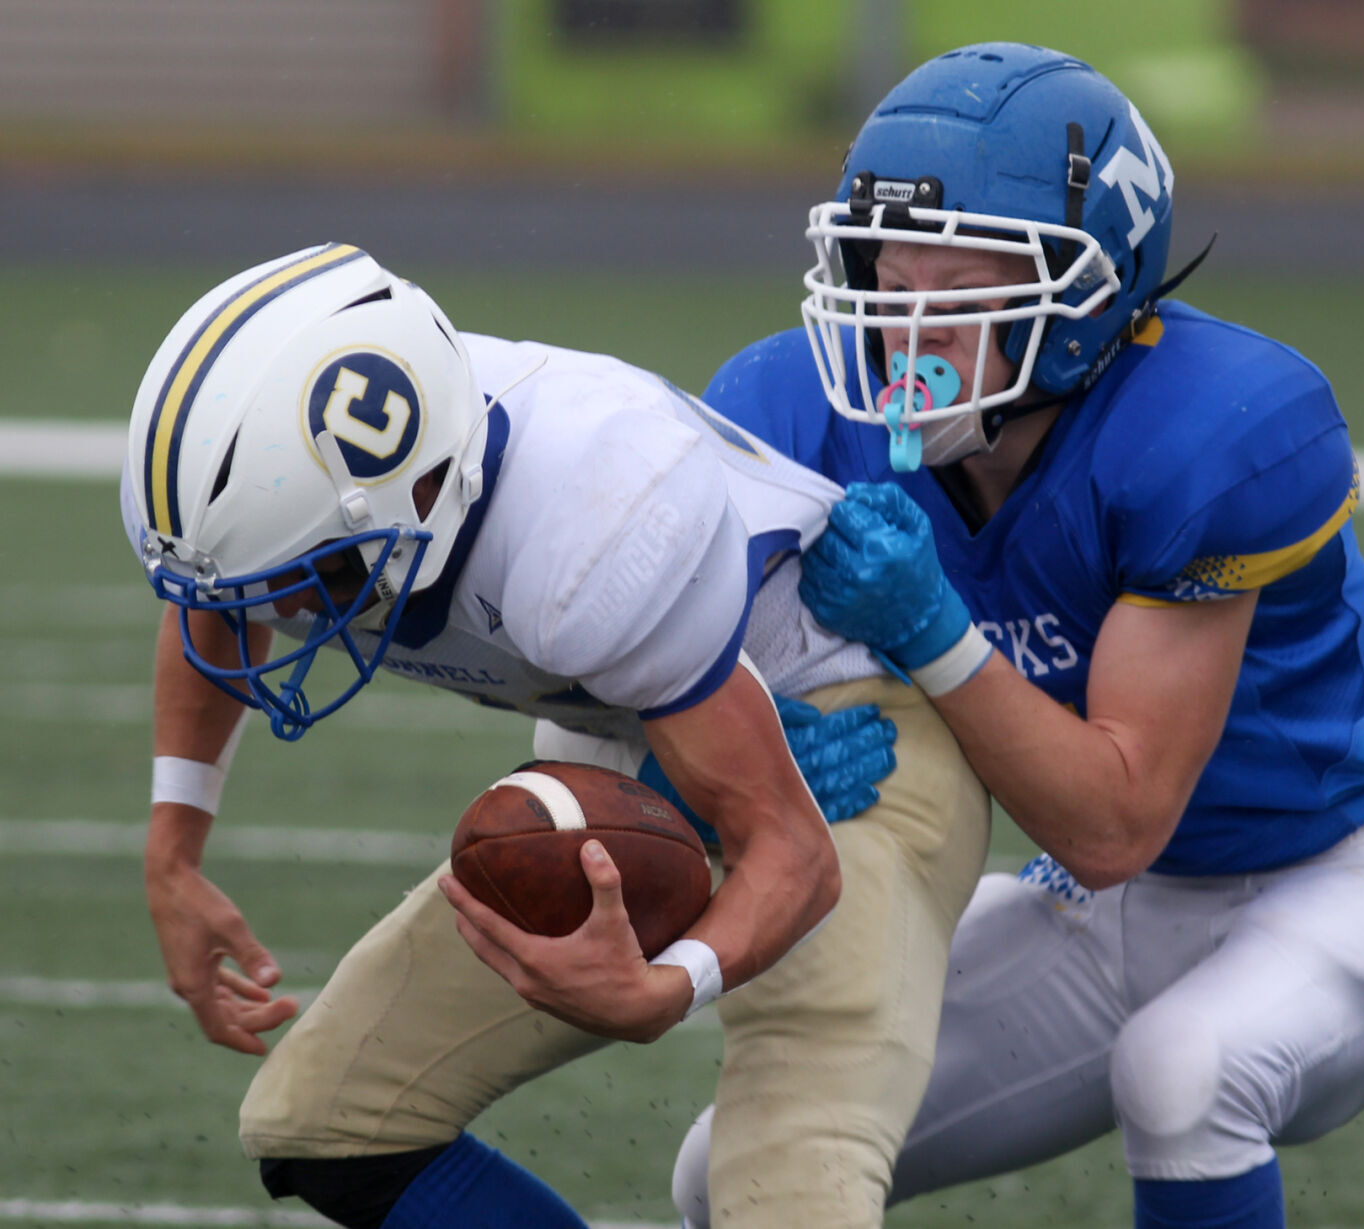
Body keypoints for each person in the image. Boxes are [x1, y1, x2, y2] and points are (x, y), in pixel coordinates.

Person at [670, 42, 1364, 1229]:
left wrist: (928, 629)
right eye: (882, 276)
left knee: (1184, 1076)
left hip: (1343, 876)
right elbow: (657, 654)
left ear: (1092, 297)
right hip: (1102, 911)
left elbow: (1115, 818)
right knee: (738, 1170)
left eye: (964, 287)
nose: (903, 327)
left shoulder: (1211, 425)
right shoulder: (788, 405)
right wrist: (732, 735)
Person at [119, 243, 989, 1229]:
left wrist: (667, 985)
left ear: (417, 502)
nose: (271, 613)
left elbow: (791, 852)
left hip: (843, 755)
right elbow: (217, 594)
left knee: (784, 1198)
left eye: (296, 577)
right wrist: (173, 849)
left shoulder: (588, 524)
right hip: (635, 730)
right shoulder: (354, 485)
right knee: (325, 1120)